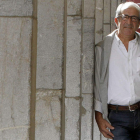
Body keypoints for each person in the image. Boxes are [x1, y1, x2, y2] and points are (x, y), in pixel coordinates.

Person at [94, 2, 140, 140]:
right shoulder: (102, 48)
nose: (129, 22)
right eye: (125, 17)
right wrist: (98, 116)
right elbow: (97, 82)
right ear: (116, 20)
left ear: (139, 23)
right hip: (117, 118)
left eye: (134, 18)